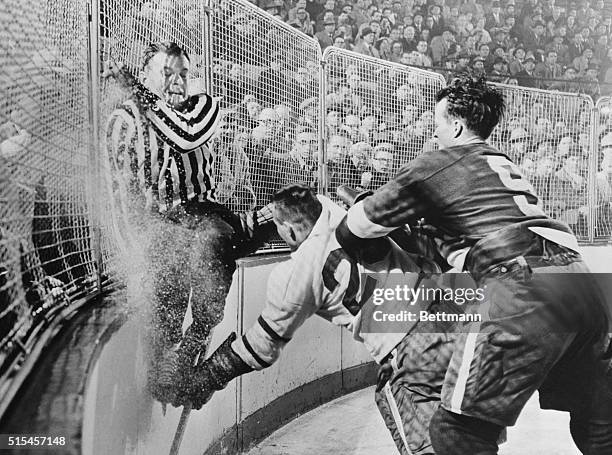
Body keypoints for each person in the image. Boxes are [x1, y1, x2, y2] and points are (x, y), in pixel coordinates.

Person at [332, 75, 612, 454]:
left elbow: (353, 231)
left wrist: (369, 214)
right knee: (598, 428)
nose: (435, 136)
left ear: (457, 126)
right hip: (582, 284)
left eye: (438, 126)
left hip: (521, 287)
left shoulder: (440, 162)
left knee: (456, 433)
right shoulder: (500, 164)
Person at [171, 183, 459, 455]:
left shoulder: (297, 273)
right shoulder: (339, 211)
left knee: (426, 444)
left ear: (290, 231)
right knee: (465, 435)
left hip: (407, 348)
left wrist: (206, 377)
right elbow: (305, 202)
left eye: (280, 230)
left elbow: (262, 347)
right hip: (454, 322)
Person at [104, 42, 274, 404]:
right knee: (174, 253)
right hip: (158, 227)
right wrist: (132, 256)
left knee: (215, 236)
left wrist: (138, 89)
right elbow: (119, 197)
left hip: (203, 214)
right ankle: (174, 362)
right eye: (167, 73)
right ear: (148, 74)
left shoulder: (203, 106)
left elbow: (186, 134)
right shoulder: (123, 121)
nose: (178, 82)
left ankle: (195, 343)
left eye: (184, 73)